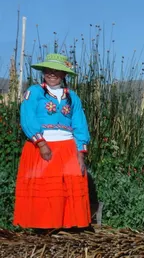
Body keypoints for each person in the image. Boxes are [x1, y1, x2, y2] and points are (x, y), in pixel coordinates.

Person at [13, 53, 91, 231]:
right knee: (46, 190)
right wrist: (41, 143)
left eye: (57, 71)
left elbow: (80, 123)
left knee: (65, 189)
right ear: (44, 71)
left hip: (67, 148)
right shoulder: (34, 92)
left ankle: (65, 226)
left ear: (64, 75)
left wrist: (80, 153)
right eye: (49, 70)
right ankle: (44, 227)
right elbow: (27, 117)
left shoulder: (72, 97)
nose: (52, 74)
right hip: (43, 147)